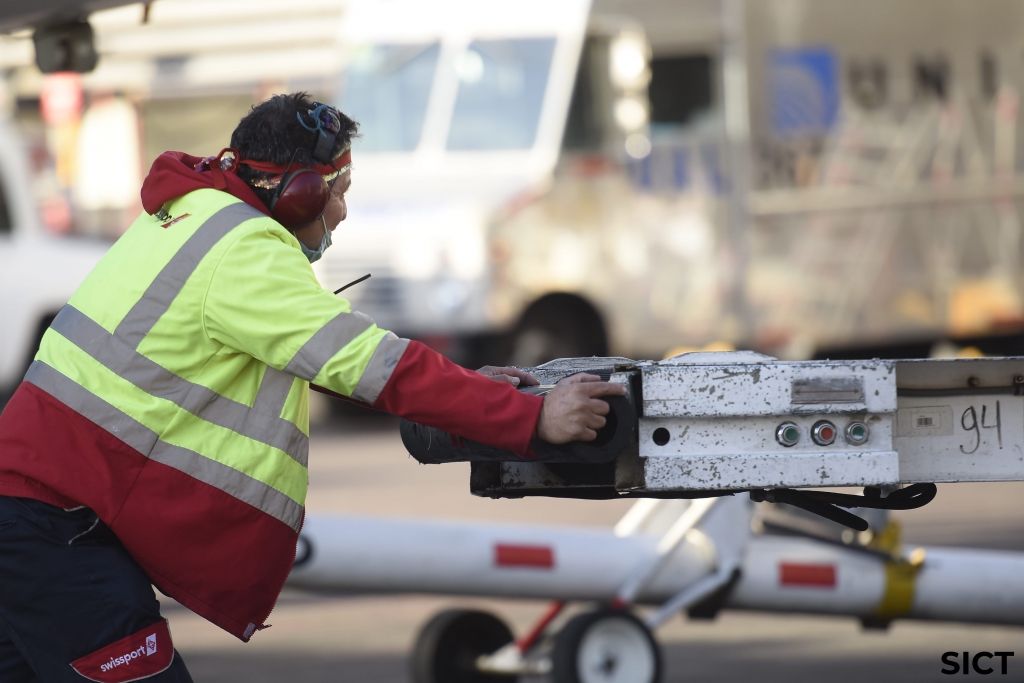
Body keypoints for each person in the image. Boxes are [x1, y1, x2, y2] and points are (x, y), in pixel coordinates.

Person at [0, 93, 625, 682]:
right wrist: (529, 418)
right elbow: (370, 363)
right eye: (338, 191)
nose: (343, 210)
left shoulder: (188, 213)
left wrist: (467, 388)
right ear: (299, 193)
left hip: (34, 517)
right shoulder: (244, 248)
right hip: (57, 533)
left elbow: (318, 358)